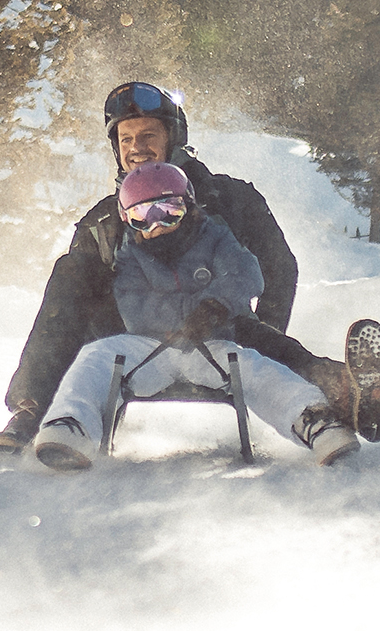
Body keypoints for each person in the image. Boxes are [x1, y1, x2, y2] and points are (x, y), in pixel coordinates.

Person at [0, 81, 380, 455]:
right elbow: (69, 307)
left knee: (256, 337)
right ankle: (35, 410)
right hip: (133, 338)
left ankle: (345, 392)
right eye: (126, 138)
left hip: (220, 327)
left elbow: (279, 268)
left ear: (174, 138)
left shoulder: (230, 198)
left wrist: (266, 333)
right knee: (71, 272)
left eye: (148, 135)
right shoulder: (104, 221)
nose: (136, 147)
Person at [32, 163, 359, 470]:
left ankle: (314, 421)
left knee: (254, 367)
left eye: (169, 212)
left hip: (211, 343)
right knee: (96, 356)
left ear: (188, 207)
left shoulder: (214, 237)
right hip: (148, 348)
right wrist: (184, 316)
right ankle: (70, 423)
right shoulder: (130, 256)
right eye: (142, 216)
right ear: (128, 220)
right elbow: (135, 307)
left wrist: (215, 306)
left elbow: (246, 274)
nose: (156, 225)